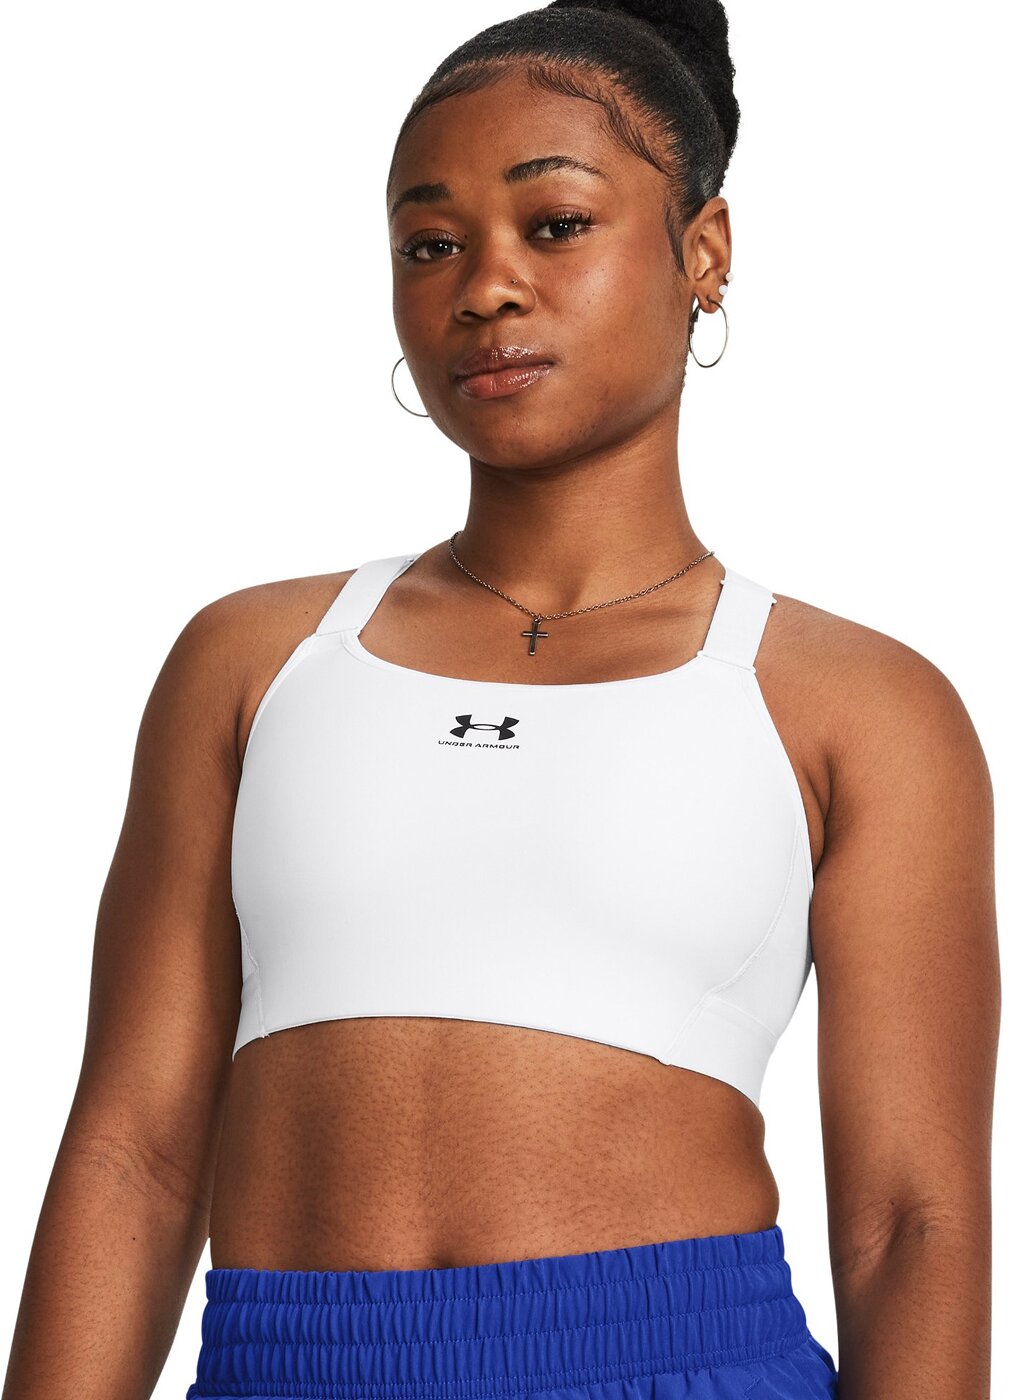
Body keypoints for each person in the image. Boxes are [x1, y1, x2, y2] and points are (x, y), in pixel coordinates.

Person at [2, 3, 998, 1398]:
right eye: (431, 244)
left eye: (556, 224)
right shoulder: (255, 661)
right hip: (285, 1365)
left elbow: (909, 1223)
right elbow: (134, 1154)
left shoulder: (856, 707)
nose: (485, 289)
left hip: (678, 1363)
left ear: (703, 253)